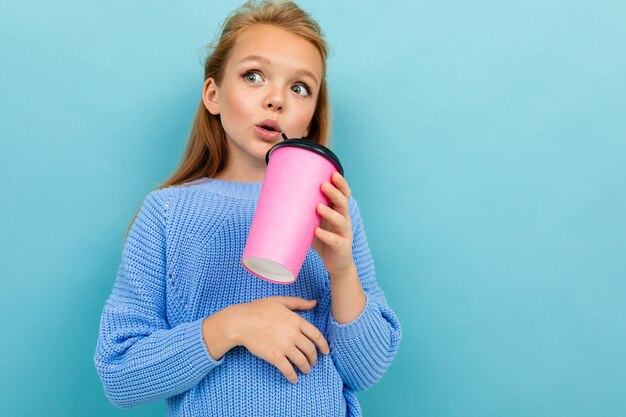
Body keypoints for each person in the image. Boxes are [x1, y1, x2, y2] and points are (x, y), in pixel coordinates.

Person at [94, 1, 401, 416]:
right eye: (253, 76)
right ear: (213, 94)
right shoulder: (166, 213)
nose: (276, 99)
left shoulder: (333, 210)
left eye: (299, 88)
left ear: (309, 120)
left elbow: (366, 370)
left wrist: (342, 271)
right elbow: (119, 372)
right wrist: (233, 326)